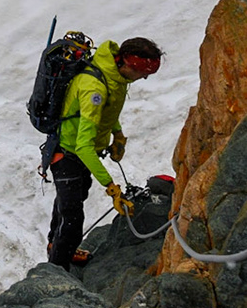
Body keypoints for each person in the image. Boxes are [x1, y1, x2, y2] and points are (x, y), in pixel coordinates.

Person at [42, 36, 163, 268]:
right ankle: (57, 270)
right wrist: (111, 187)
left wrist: (116, 133)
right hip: (68, 153)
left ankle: (54, 245)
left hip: (79, 154)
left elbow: (108, 112)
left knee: (70, 202)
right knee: (72, 218)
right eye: (142, 72)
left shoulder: (114, 78)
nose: (144, 77)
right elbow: (83, 146)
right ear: (127, 65)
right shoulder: (94, 88)